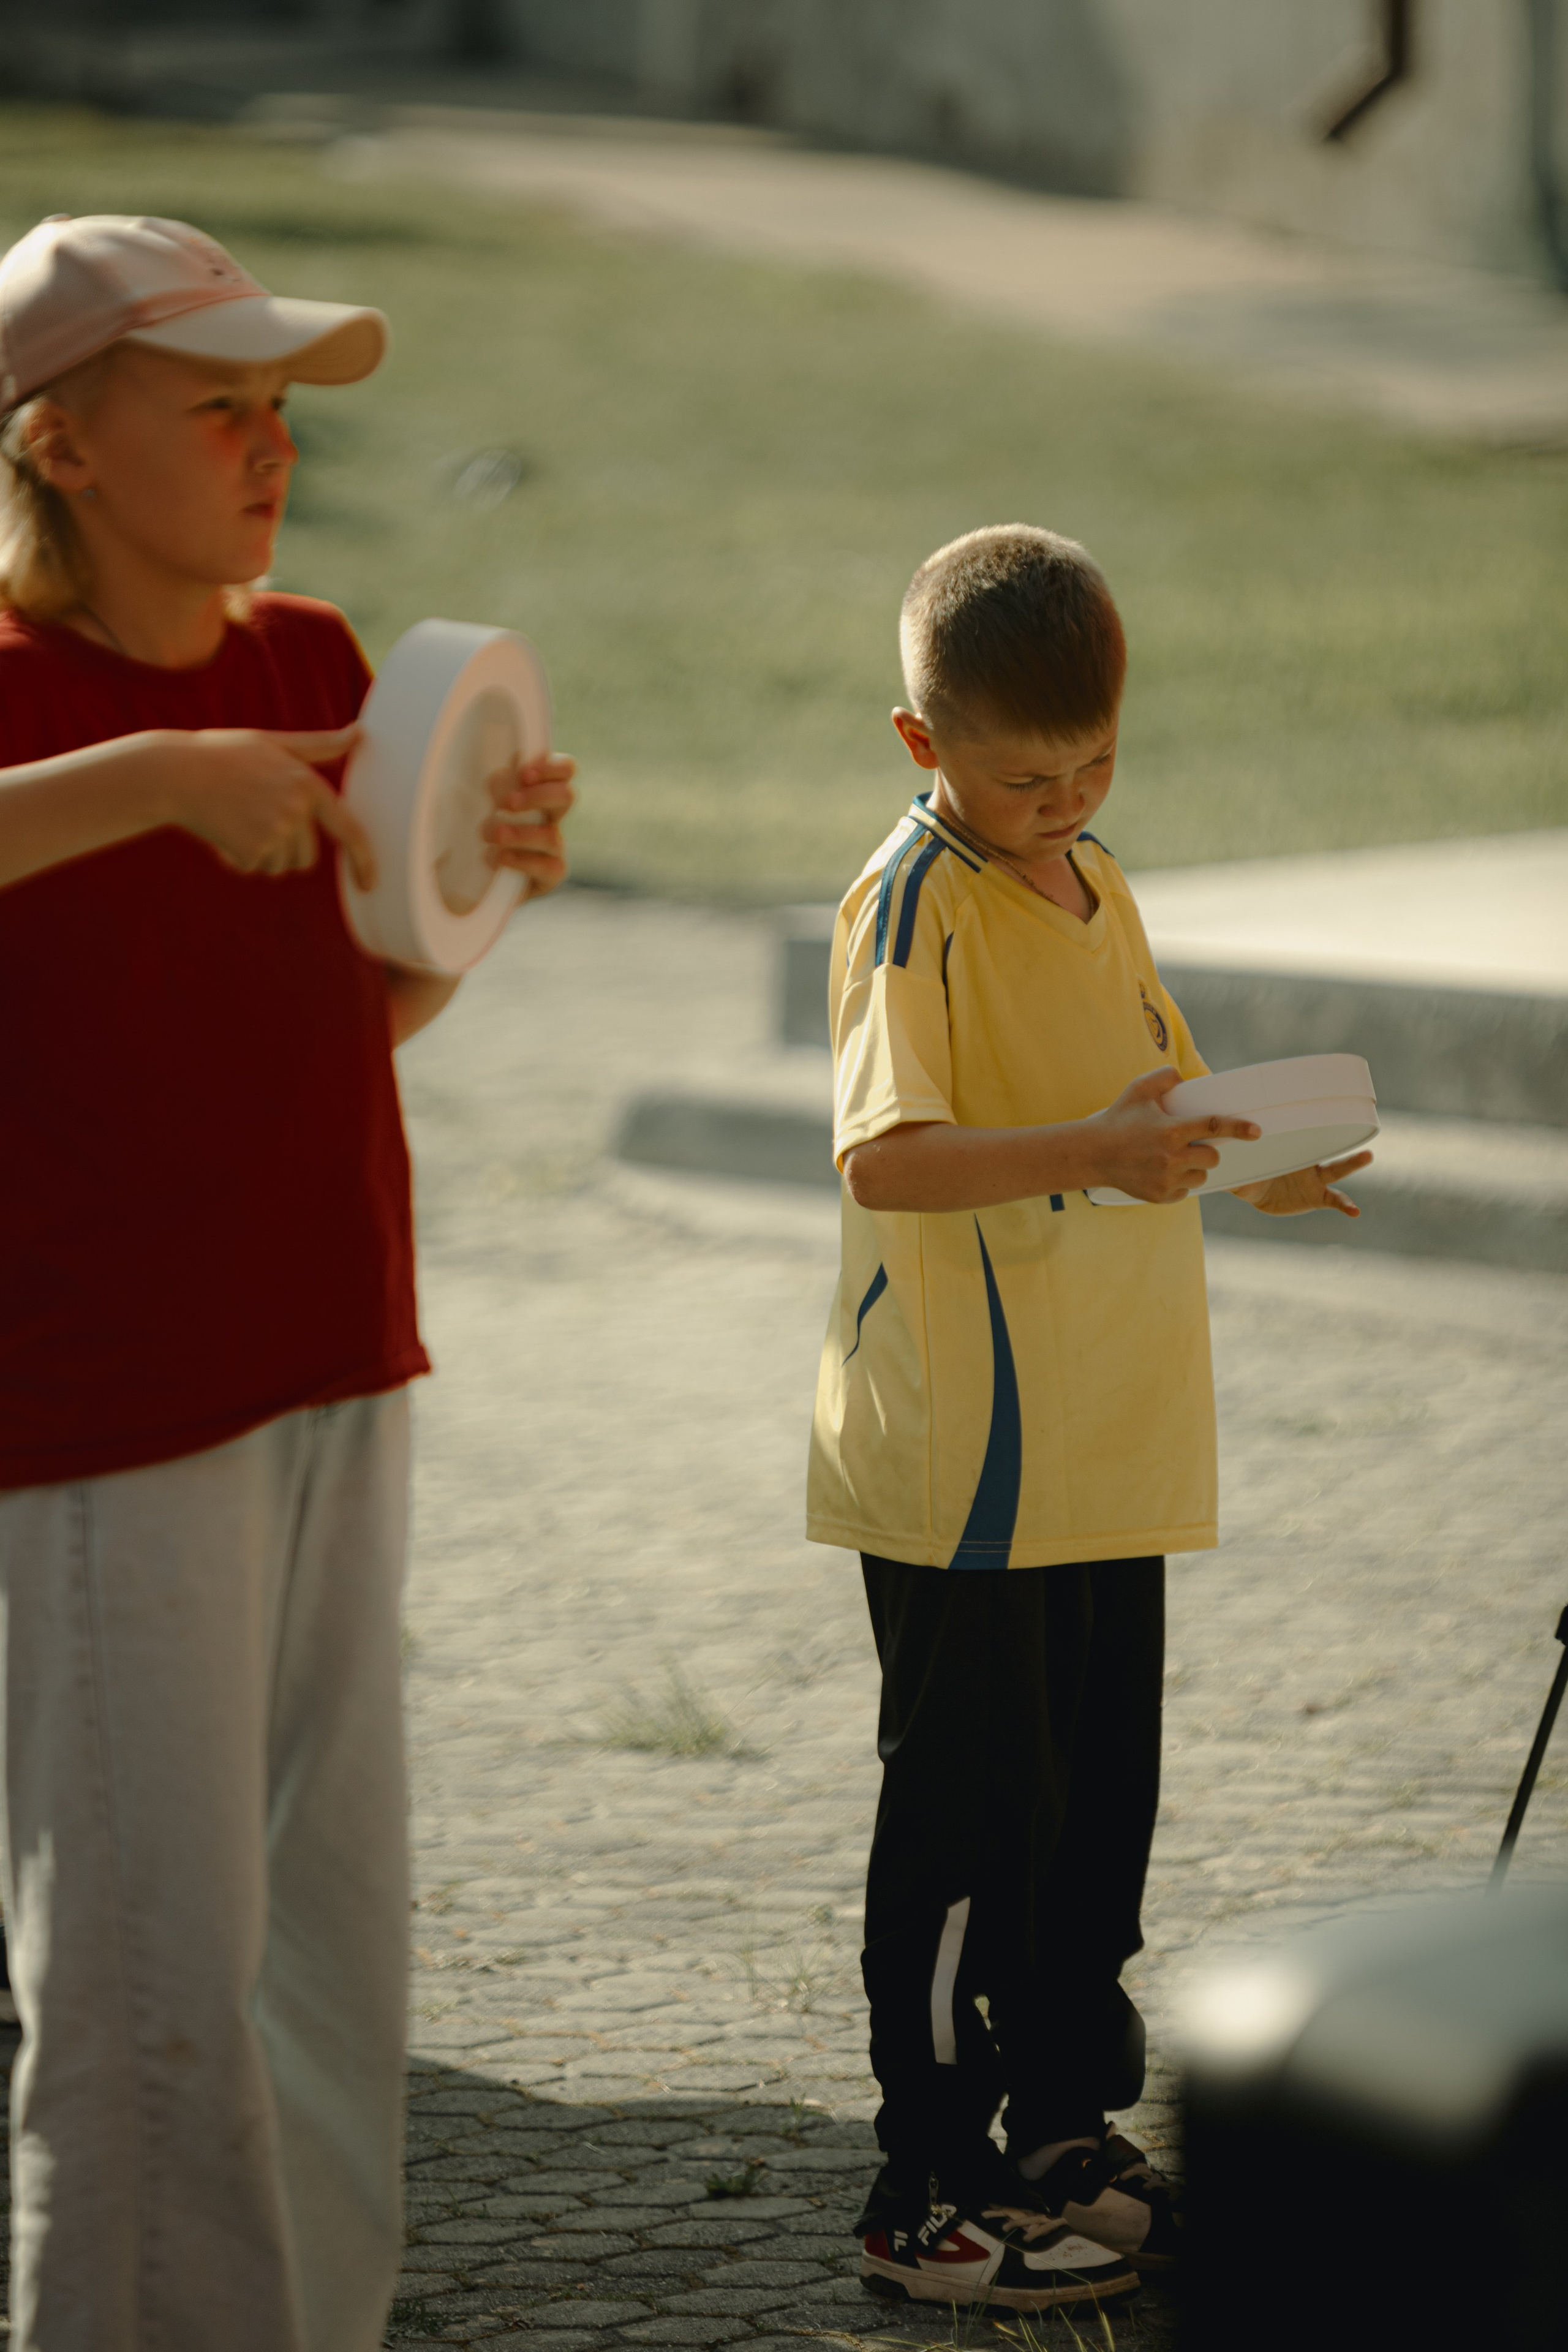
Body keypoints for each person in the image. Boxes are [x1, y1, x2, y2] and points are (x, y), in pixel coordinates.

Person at [0, 213, 575, 2352]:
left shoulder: (317, 661)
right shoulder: (28, 699)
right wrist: (155, 782)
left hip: (338, 1362)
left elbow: (348, 1026)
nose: (270, 451)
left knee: (330, 1963)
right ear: (59, 444)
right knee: (146, 1992)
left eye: (281, 412)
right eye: (216, 406)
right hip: (99, 1423)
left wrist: (474, 883)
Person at [807, 525, 1371, 2315]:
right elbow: (885, 1157)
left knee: (1088, 1817)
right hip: (971, 1459)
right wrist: (1100, 1155)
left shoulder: (1093, 878)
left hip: (1110, 1441)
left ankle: (1058, 2131)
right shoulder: (909, 907)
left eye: (1094, 766)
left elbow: (1147, 1104)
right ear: (923, 746)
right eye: (1022, 774)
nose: (1062, 802)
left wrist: (1255, 1164)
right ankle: (926, 2182)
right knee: (969, 1825)